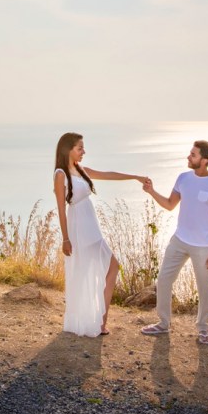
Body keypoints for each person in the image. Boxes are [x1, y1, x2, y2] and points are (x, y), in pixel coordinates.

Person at [54, 132, 148, 337]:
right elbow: (61, 209)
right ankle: (92, 323)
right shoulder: (61, 174)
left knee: (110, 267)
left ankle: (99, 322)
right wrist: (65, 238)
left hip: (92, 228)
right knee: (88, 272)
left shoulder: (81, 170)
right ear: (68, 149)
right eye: (80, 148)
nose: (84, 151)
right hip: (79, 229)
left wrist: (135, 177)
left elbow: (108, 175)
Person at [140, 140, 208, 345]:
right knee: (163, 280)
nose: (188, 157)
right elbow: (170, 204)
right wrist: (151, 191)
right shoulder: (183, 178)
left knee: (204, 288)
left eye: (193, 155)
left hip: (204, 247)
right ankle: (163, 323)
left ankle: (203, 328)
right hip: (179, 241)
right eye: (190, 153)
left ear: (204, 160)